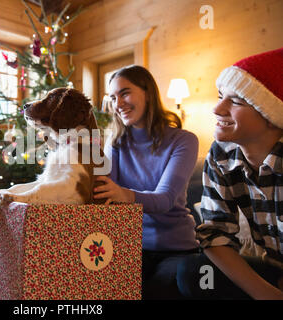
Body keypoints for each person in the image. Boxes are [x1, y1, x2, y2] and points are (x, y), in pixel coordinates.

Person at [177, 48, 283, 300]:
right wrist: (266, 294)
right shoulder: (221, 153)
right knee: (194, 272)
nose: (217, 108)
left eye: (235, 101)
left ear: (271, 115)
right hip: (273, 272)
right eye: (220, 96)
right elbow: (215, 234)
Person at [93, 65, 200, 299]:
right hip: (130, 247)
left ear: (148, 93)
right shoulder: (116, 144)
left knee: (156, 290)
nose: (118, 103)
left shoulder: (184, 141)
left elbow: (165, 199)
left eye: (125, 93)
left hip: (176, 249)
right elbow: (106, 197)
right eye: (113, 97)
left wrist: (124, 194)